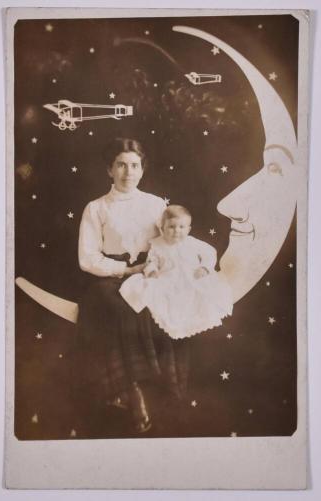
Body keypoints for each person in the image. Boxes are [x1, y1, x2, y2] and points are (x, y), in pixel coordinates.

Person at [76, 138, 189, 434]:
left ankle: (164, 382)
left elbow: (172, 238)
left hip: (149, 271)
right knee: (119, 307)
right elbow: (87, 257)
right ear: (109, 170)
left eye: (135, 165)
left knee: (166, 304)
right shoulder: (96, 208)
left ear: (142, 169)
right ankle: (132, 389)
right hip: (108, 277)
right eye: (121, 165)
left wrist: (158, 267)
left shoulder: (155, 204)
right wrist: (125, 269)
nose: (129, 172)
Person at [120, 205, 233, 339]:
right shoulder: (157, 245)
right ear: (162, 228)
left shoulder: (192, 242)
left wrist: (204, 267)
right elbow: (151, 262)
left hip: (192, 277)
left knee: (201, 294)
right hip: (168, 279)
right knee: (162, 295)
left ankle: (194, 321)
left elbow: (210, 253)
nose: (176, 231)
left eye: (181, 227)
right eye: (171, 227)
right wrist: (152, 271)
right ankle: (177, 324)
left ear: (188, 229)